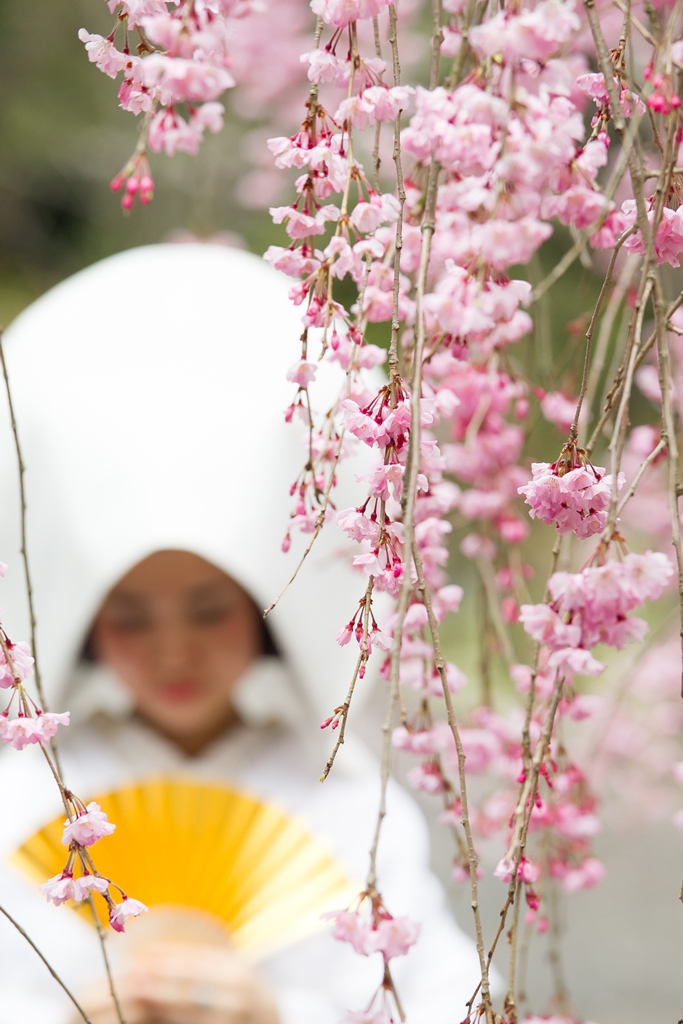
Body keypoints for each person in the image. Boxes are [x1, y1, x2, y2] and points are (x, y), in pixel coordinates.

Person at [0, 243, 482, 1024]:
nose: (173, 652)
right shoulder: (17, 800)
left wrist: (279, 1014)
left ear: (267, 614)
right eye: (128, 617)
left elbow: (455, 1006)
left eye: (208, 610)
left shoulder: (350, 809)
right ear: (88, 628)